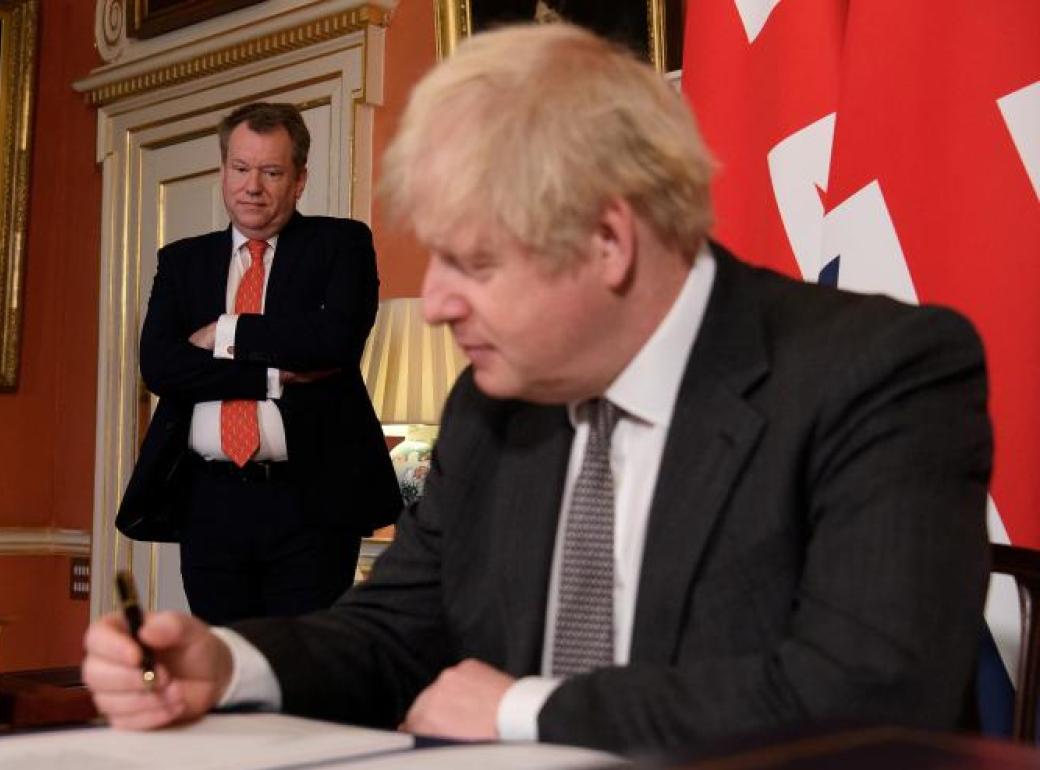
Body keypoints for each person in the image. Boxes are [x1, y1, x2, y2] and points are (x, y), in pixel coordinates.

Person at [83, 25, 991, 754]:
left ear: (609, 242)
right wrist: (228, 663)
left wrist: (526, 711)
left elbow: (872, 693)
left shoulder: (878, 375)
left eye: (474, 262)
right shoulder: (493, 406)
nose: (438, 304)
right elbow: (392, 631)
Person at [117, 102, 402, 625]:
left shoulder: (341, 244)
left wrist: (223, 332)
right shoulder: (182, 261)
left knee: (299, 661)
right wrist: (272, 374)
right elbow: (161, 366)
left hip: (310, 504)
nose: (252, 187)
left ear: (299, 180)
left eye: (271, 172)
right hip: (209, 503)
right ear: (223, 171)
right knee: (225, 659)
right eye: (241, 168)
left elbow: (333, 342)